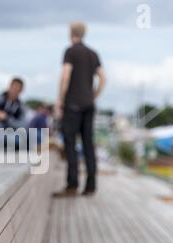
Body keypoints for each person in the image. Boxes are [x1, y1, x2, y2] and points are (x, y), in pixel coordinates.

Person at [53, 21, 107, 197]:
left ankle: (72, 185)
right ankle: (91, 186)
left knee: (70, 145)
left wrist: (60, 99)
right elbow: (103, 78)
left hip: (72, 105)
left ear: (71, 33)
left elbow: (65, 75)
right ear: (84, 33)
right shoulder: (93, 53)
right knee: (88, 144)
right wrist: (94, 95)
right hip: (89, 105)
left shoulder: (70, 51)